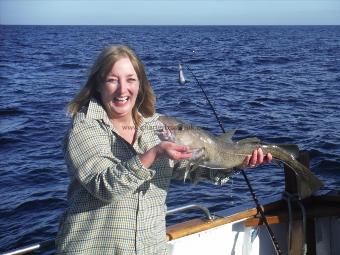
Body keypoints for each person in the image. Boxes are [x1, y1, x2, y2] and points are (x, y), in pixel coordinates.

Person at [56, 45, 272, 255]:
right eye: (112, 80)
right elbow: (105, 187)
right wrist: (153, 153)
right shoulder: (84, 128)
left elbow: (193, 169)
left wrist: (237, 163)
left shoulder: (158, 127)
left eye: (130, 79)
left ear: (140, 84)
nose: (123, 89)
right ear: (98, 85)